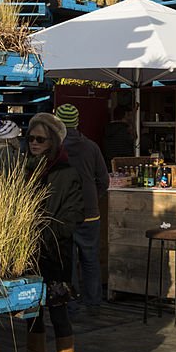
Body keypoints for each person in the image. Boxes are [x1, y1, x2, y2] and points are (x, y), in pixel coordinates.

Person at [22, 112, 84, 352]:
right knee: (32, 316)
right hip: (29, 255)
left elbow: (72, 218)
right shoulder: (25, 170)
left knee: (58, 315)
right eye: (31, 138)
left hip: (56, 255)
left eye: (40, 139)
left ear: (53, 142)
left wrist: (46, 234)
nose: (34, 143)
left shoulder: (67, 173)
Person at [54, 104, 109, 315]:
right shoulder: (91, 147)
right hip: (90, 212)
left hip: (64, 213)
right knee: (90, 258)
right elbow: (103, 180)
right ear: (77, 122)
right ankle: (94, 302)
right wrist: (93, 197)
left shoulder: (54, 149)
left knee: (69, 261)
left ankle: (71, 303)